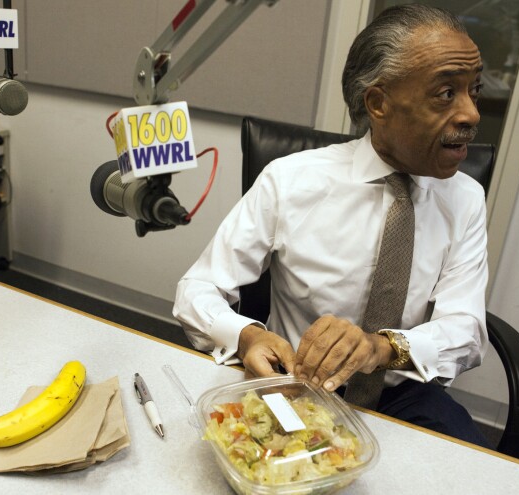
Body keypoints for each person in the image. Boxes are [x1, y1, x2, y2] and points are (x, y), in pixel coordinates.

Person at [173, 4, 490, 447]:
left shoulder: (465, 199)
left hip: (403, 391)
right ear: (379, 103)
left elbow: (467, 331)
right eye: (445, 94)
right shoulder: (291, 180)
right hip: (296, 383)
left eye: (473, 91)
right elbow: (198, 288)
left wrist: (382, 348)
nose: (471, 114)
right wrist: (245, 337)